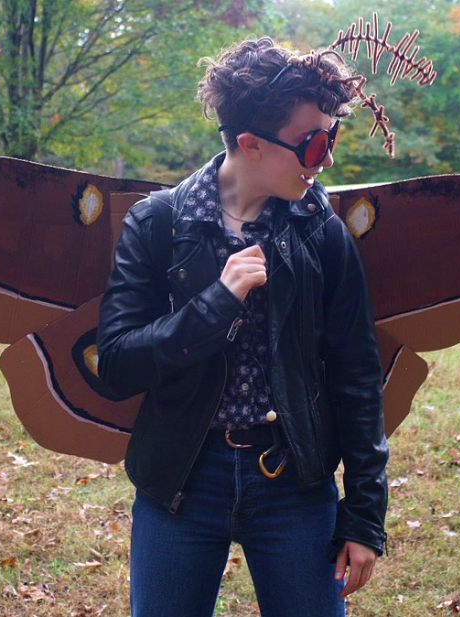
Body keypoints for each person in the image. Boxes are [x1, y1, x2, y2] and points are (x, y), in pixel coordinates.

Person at [96, 37, 388, 617]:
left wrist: (363, 515)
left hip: (294, 481)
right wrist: (217, 302)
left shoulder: (319, 229)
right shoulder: (159, 223)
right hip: (180, 481)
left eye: (331, 138)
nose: (325, 160)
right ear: (250, 143)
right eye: (313, 143)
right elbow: (119, 364)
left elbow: (356, 374)